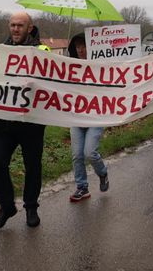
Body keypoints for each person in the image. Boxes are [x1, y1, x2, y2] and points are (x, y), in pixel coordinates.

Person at [0, 12, 46, 230]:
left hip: (32, 122)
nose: (15, 29)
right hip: (4, 122)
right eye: (12, 25)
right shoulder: (0, 51)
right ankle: (6, 207)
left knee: (33, 167)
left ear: (29, 28)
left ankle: (31, 207)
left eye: (20, 25)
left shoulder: (42, 52)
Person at [66, 33, 109, 202]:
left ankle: (103, 172)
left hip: (95, 116)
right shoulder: (70, 67)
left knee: (90, 152)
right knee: (77, 155)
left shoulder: (100, 66)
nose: (81, 49)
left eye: (84, 45)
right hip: (76, 116)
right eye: (78, 46)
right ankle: (82, 187)